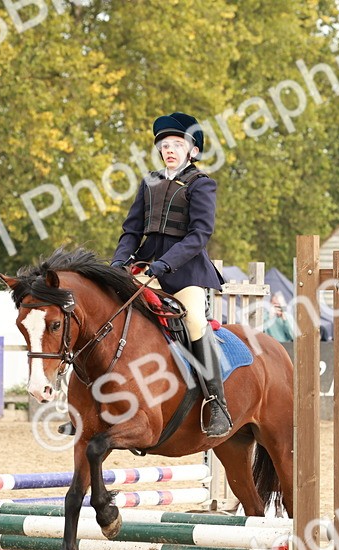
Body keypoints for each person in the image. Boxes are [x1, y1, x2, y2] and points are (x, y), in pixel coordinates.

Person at [111, 111, 232, 437]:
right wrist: (117, 263)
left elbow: (199, 235)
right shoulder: (149, 182)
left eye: (177, 143)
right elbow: (131, 230)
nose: (169, 149)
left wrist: (163, 266)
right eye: (165, 144)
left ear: (192, 151)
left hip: (184, 272)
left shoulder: (202, 184)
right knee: (109, 310)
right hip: (145, 266)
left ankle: (216, 402)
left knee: (193, 319)